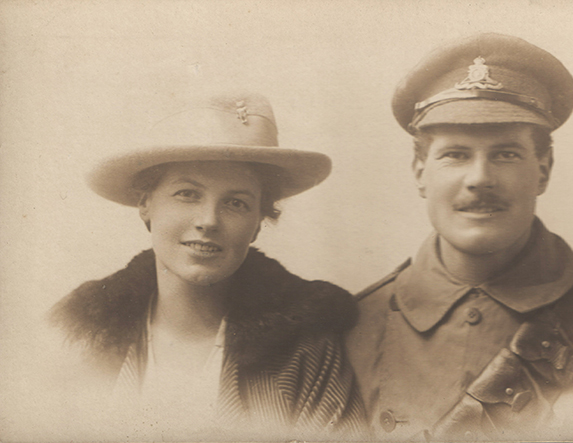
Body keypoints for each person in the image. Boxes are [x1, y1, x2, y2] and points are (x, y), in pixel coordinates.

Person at [345, 33, 573, 440]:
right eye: (456, 154)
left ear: (544, 170)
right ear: (419, 171)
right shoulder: (352, 327)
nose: (480, 179)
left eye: (506, 154)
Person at [50, 92, 365, 440]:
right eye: (188, 194)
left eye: (235, 203)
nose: (208, 221)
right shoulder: (78, 336)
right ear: (145, 204)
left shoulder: (306, 353)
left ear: (259, 221)